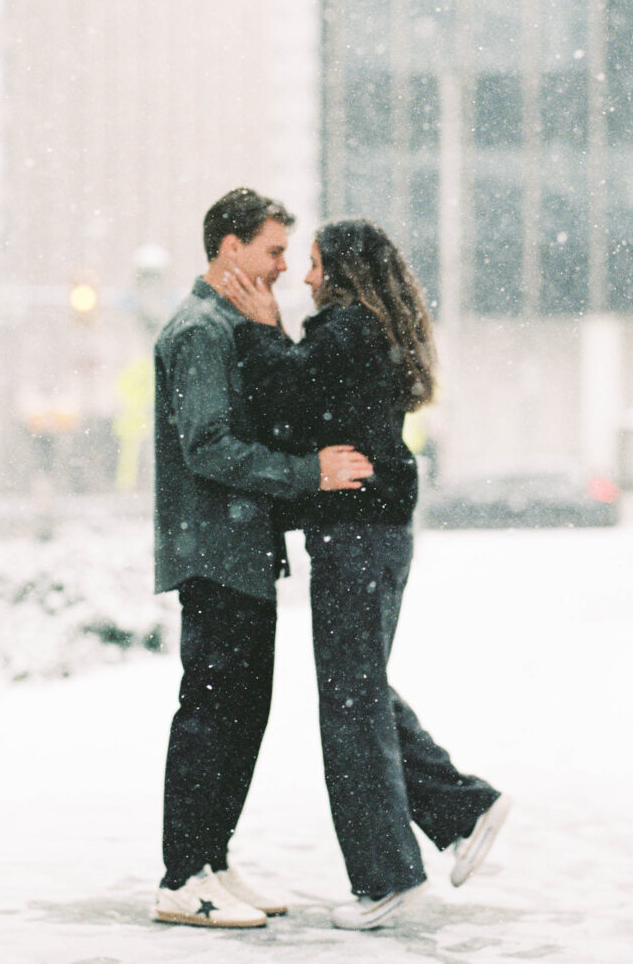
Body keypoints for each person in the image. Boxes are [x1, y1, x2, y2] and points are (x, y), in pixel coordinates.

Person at [225, 218, 511, 931]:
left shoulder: (345, 330)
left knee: (349, 708)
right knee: (359, 691)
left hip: (357, 537)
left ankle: (387, 878)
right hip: (370, 536)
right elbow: (308, 403)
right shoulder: (366, 331)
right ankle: (461, 809)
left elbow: (284, 405)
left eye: (317, 264)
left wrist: (262, 328)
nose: (307, 278)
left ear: (346, 272)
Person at [152, 190, 374, 929]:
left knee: (241, 714)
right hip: (214, 551)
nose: (283, 266)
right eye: (274, 251)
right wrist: (305, 472)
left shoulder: (229, 325)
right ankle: (183, 875)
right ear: (229, 248)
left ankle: (210, 860)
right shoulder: (200, 332)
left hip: (240, 550)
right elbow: (207, 446)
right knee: (212, 714)